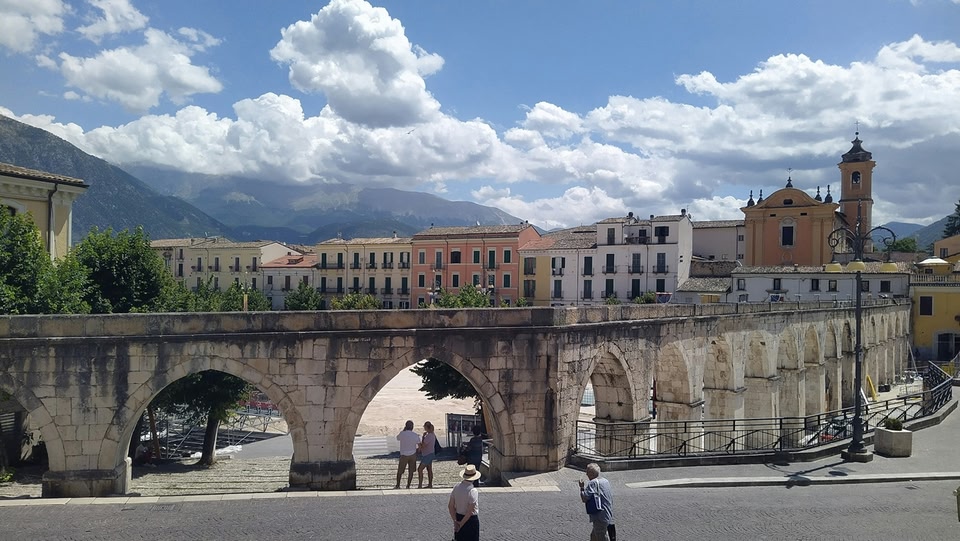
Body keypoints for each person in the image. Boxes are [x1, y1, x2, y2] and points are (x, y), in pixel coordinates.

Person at [579, 462, 615, 541]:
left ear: (591, 473)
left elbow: (584, 498)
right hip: (607, 514)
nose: (586, 474)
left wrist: (581, 488)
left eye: (587, 472)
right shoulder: (605, 481)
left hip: (599, 516)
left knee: (601, 537)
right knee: (594, 536)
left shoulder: (592, 483)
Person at [448, 464, 481, 541]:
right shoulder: (473, 491)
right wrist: (461, 524)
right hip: (471, 521)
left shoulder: (456, 487)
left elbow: (450, 506)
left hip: (458, 517)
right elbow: (470, 512)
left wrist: (456, 521)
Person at [395, 420, 420, 489]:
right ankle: (408, 485)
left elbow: (397, 438)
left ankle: (398, 485)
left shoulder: (402, 434)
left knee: (400, 471)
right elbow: (419, 444)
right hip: (412, 454)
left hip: (404, 454)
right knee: (411, 471)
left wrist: (404, 430)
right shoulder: (415, 435)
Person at [417, 420, 438, 489]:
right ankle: (430, 484)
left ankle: (420, 485)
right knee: (429, 469)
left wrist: (419, 443)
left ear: (426, 427)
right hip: (430, 453)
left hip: (427, 454)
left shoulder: (429, 436)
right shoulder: (432, 435)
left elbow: (423, 445)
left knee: (420, 469)